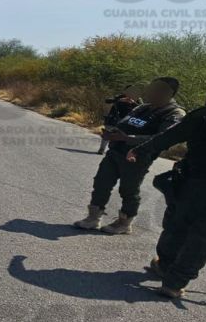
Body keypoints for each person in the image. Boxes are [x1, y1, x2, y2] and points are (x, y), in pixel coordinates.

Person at [74, 78, 186, 235]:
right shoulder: (143, 108)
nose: (153, 92)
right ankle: (92, 218)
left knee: (128, 190)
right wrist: (112, 133)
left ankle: (124, 223)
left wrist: (127, 138)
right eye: (152, 88)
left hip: (137, 157)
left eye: (159, 89)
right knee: (101, 183)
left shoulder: (174, 113)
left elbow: (162, 139)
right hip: (115, 152)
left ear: (170, 93)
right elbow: (123, 124)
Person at [127, 94, 206, 299]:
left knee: (178, 224)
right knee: (202, 237)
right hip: (195, 181)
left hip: (195, 183)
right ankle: (174, 282)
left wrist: (141, 149)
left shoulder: (202, 116)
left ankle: (166, 266)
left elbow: (170, 136)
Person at [98, 85, 141, 155]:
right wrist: (118, 100)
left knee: (121, 137)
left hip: (127, 122)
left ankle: (115, 152)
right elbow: (107, 100)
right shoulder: (119, 97)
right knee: (107, 134)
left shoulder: (138, 100)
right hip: (114, 119)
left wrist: (133, 103)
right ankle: (102, 149)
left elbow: (143, 108)